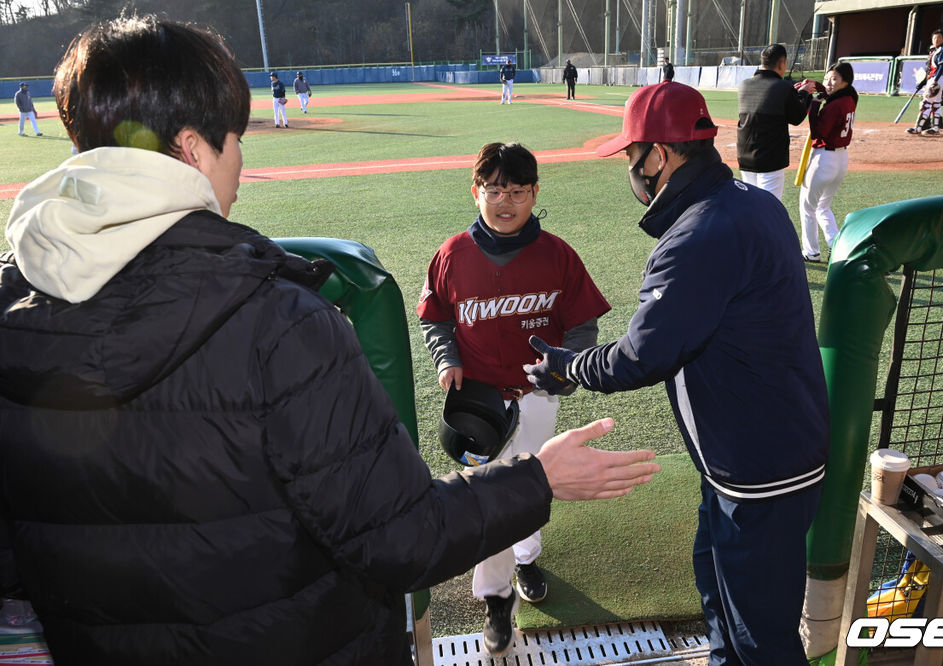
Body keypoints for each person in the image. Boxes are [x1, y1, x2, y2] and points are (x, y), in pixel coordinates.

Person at [0, 16, 660, 665]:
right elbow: (402, 537)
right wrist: (542, 479)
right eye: (235, 138)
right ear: (194, 149)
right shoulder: (278, 320)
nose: (240, 159)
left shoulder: (11, 306)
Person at [524, 81, 829, 666]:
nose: (630, 172)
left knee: (760, 635)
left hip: (759, 468)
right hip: (755, 455)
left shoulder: (698, 235)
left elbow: (644, 354)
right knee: (719, 588)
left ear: (658, 156)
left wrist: (567, 365)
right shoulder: (750, 202)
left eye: (631, 156)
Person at [417, 141, 612, 655]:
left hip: (536, 395)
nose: (506, 201)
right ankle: (495, 597)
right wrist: (446, 358)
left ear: (535, 194)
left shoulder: (557, 254)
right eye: (494, 188)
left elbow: (582, 323)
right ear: (476, 191)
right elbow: (436, 315)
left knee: (533, 483)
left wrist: (566, 367)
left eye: (518, 191)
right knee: (490, 495)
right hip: (479, 403)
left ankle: (526, 555)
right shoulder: (453, 254)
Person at [796, 62, 858, 263]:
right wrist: (819, 85)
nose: (829, 83)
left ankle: (811, 252)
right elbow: (831, 92)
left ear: (845, 81)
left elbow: (818, 132)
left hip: (824, 158)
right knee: (823, 206)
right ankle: (837, 245)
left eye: (834, 79)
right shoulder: (850, 96)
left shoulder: (836, 104)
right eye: (827, 78)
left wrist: (814, 104)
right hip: (841, 159)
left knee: (808, 207)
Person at [736, 43, 809, 201]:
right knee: (770, 207)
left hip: (745, 155)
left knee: (750, 203)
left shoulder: (744, 85)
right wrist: (805, 94)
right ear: (782, 63)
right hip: (770, 158)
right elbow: (797, 118)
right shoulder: (783, 87)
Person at [907, 29, 943, 135]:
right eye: (934, 38)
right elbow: (930, 70)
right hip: (936, 78)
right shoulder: (935, 51)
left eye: (939, 38)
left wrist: (935, 81)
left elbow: (942, 66)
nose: (936, 40)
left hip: (939, 78)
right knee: (936, 103)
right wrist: (923, 82)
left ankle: (918, 128)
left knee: (926, 103)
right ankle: (936, 129)